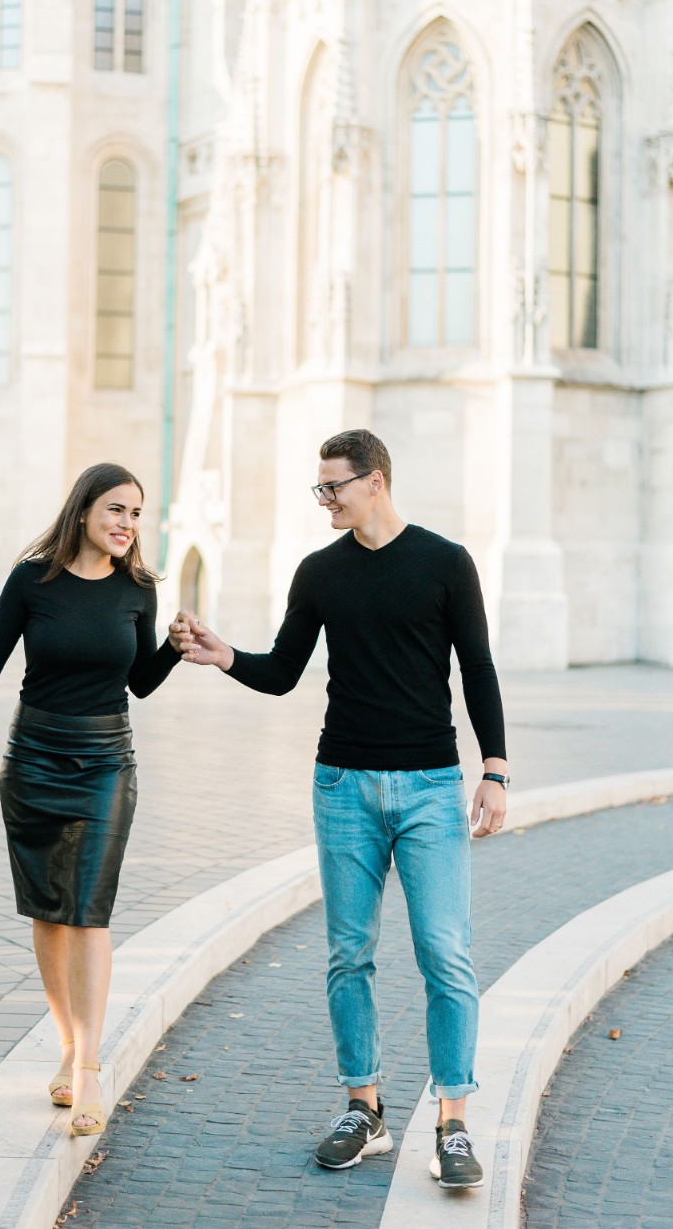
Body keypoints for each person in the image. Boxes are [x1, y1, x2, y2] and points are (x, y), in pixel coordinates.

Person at [170, 429, 506, 1189]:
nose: (324, 499)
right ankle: (365, 1108)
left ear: (375, 482)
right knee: (348, 953)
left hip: (428, 786)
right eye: (319, 489)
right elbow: (284, 673)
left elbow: (477, 667)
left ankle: (453, 1122)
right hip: (342, 786)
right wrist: (226, 658)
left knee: (444, 953)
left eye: (334, 487)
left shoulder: (446, 563)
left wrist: (496, 770)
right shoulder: (319, 573)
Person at [0, 464, 183, 1138]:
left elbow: (140, 682)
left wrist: (172, 648)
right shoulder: (32, 580)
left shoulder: (138, 589)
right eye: (116, 509)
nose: (127, 524)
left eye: (136, 513)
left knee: (89, 914)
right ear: (82, 511)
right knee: (48, 913)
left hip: (107, 763)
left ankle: (90, 1074)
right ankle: (69, 1046)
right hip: (33, 763)